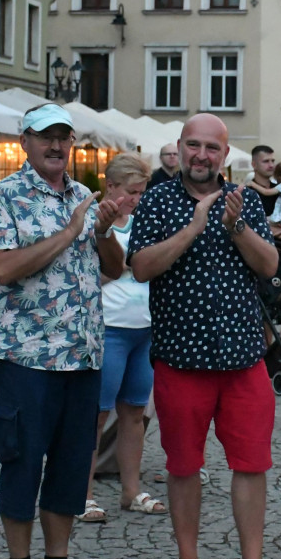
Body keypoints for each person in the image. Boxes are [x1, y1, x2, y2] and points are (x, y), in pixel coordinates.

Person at [0, 103, 126, 559]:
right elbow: (4, 269)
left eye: (64, 137)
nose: (56, 146)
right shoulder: (3, 197)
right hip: (26, 356)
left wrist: (101, 231)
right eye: (45, 136)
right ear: (25, 143)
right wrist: (69, 232)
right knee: (21, 463)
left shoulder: (83, 196)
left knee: (70, 467)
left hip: (82, 355)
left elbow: (116, 268)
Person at [128, 113, 281, 559]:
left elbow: (269, 265)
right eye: (193, 145)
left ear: (224, 153)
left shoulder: (244, 199)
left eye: (211, 148)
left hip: (243, 358)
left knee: (252, 464)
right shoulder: (158, 199)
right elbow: (140, 267)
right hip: (181, 359)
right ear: (180, 147)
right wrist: (193, 228)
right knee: (183, 465)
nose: (201, 155)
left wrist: (235, 226)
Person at [77, 153, 165, 523]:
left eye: (142, 192)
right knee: (96, 415)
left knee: (134, 413)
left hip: (144, 329)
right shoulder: (91, 221)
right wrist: (122, 267)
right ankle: (83, 494)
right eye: (132, 192)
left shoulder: (143, 221)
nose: (137, 199)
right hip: (108, 328)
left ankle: (131, 490)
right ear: (110, 186)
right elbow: (85, 276)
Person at [249, 145, 279, 215]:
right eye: (266, 161)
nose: (271, 165)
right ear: (254, 165)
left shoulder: (279, 189)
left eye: (273, 161)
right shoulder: (247, 192)